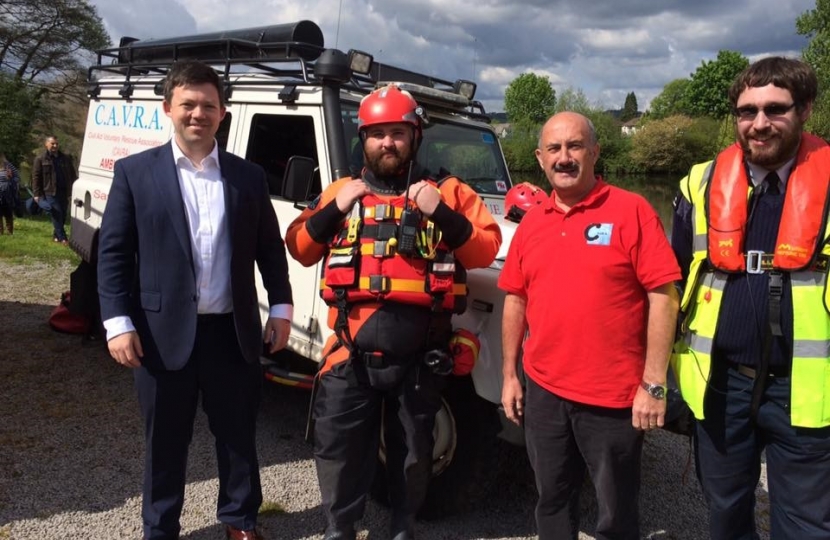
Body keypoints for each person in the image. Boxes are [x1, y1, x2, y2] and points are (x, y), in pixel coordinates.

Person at [285, 84, 501, 540]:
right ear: (363, 138)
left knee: (413, 450)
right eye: (378, 133)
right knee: (339, 448)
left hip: (420, 354)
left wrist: (439, 212)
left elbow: (484, 249)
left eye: (398, 133)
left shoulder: (449, 191)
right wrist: (334, 210)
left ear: (415, 136)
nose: (388, 142)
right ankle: (340, 528)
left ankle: (404, 527)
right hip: (349, 351)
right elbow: (301, 247)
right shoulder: (342, 192)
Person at [97, 60, 293, 540]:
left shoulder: (247, 177)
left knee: (237, 436)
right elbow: (114, 254)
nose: (197, 114)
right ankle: (160, 527)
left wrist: (283, 308)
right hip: (161, 337)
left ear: (223, 113)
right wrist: (117, 322)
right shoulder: (135, 173)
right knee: (165, 441)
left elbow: (269, 247)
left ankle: (240, 520)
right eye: (188, 104)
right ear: (168, 108)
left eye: (208, 105)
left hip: (232, 332)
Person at [499, 111, 680, 540]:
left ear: (595, 152)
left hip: (612, 399)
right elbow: (515, 299)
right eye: (555, 149)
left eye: (575, 146)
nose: (565, 157)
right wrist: (510, 374)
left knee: (616, 512)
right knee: (552, 500)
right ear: (540, 158)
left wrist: (653, 384)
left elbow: (664, 297)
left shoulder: (631, 210)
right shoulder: (532, 222)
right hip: (543, 392)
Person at [671, 56, 830, 539]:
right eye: (747, 111)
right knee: (725, 516)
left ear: (804, 110)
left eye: (775, 109)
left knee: (807, 526)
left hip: (806, 390)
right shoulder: (699, 184)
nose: (759, 124)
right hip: (721, 385)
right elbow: (672, 281)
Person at [32, 135, 76, 244]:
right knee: (57, 213)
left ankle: (56, 236)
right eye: (52, 144)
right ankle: (63, 238)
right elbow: (36, 177)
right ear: (46, 144)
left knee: (63, 214)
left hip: (64, 191)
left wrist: (75, 187)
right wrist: (37, 194)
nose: (55, 146)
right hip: (50, 192)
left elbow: (72, 174)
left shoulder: (65, 158)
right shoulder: (40, 159)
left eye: (56, 143)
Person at [0, 152, 21, 235]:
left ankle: (9, 232)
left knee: (7, 212)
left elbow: (17, 177)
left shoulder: (7, 165)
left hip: (7, 192)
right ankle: (0, 232)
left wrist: (11, 178)